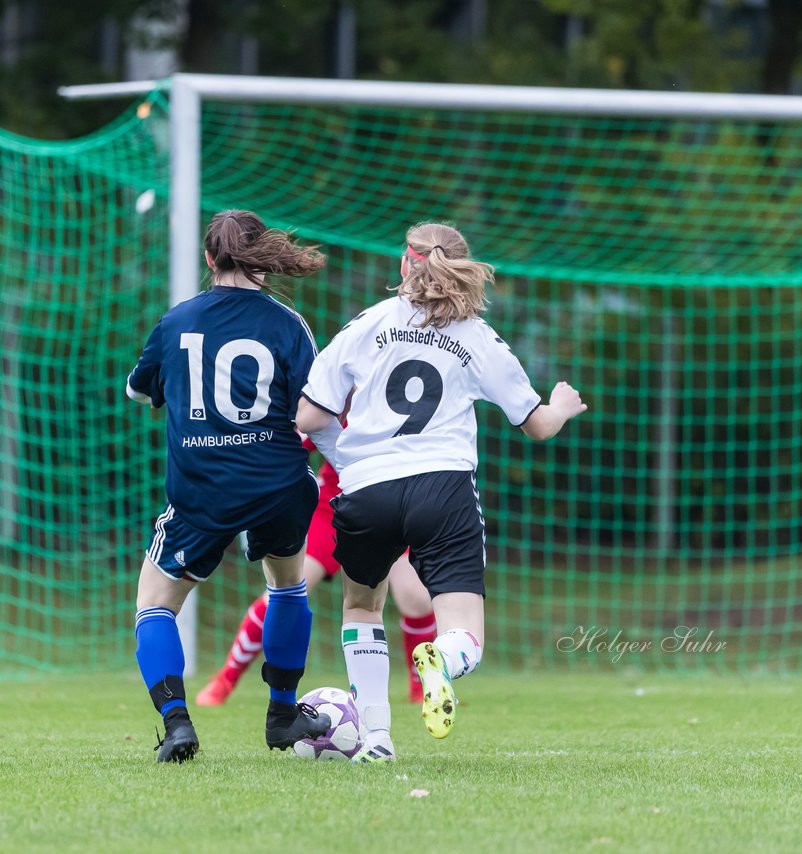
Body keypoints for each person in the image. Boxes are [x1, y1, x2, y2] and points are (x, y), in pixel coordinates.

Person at [295, 222, 587, 761]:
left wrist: (347, 449)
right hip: (443, 489)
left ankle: (377, 740)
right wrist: (563, 405)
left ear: (405, 264)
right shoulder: (477, 335)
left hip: (365, 490)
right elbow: (537, 425)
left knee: (362, 610)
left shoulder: (367, 324)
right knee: (464, 631)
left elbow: (309, 415)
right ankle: (443, 661)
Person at [126, 209, 333, 763]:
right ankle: (283, 714)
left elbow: (140, 391)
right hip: (277, 483)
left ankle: (176, 725)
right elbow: (314, 409)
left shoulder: (176, 321)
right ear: (263, 259)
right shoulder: (290, 324)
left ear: (209, 259)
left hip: (202, 486)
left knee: (155, 604)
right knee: (287, 588)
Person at [194, 438, 437, 708]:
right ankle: (226, 678)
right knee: (286, 589)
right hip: (331, 508)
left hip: (386, 507)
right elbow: (297, 439)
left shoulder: (397, 401)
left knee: (416, 596)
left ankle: (423, 687)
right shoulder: (334, 398)